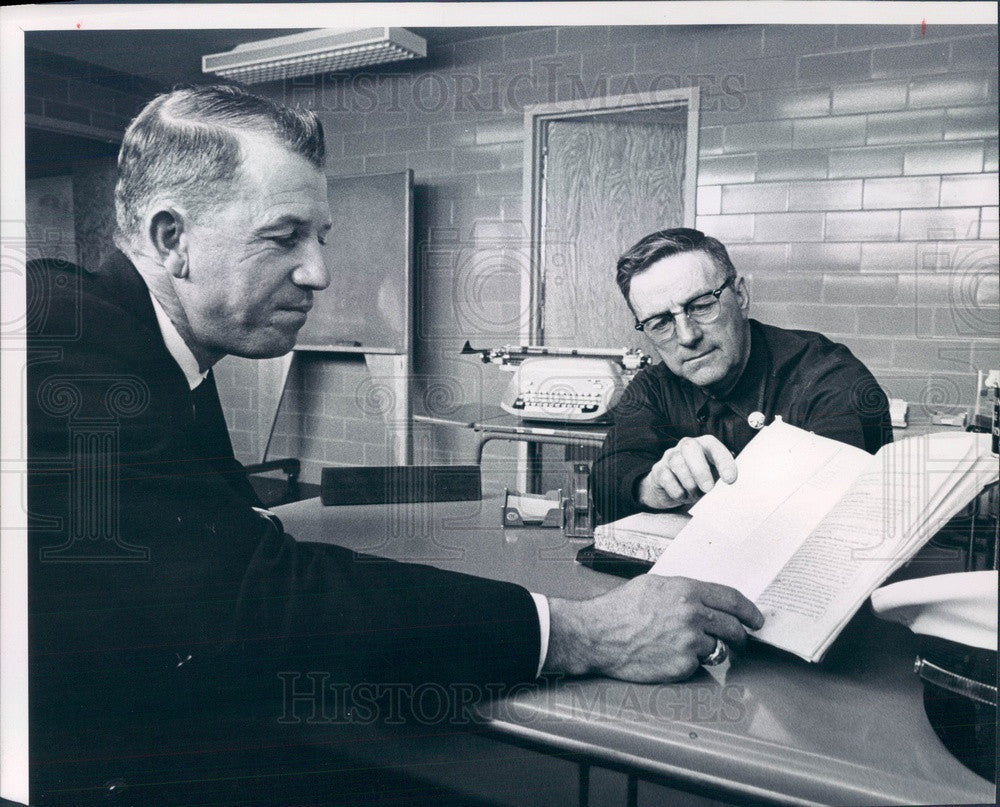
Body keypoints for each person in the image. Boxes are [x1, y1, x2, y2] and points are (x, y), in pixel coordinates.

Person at [26, 86, 763, 804]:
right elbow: (255, 602)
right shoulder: (63, 346)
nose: (319, 272)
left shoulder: (154, 341)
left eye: (320, 238)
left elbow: (233, 554)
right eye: (285, 236)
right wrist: (582, 630)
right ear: (171, 238)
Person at [592, 227, 892, 523]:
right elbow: (607, 477)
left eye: (701, 306)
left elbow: (845, 514)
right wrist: (653, 487)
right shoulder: (653, 387)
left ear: (740, 295)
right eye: (660, 323)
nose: (686, 337)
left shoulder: (830, 377)